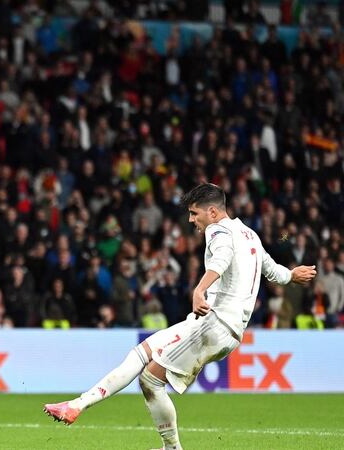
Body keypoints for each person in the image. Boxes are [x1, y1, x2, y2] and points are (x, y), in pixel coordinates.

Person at [43, 183, 317, 450]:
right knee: (141, 353)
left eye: (194, 213)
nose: (191, 220)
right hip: (219, 325)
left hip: (215, 322)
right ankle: (77, 405)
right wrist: (292, 274)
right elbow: (273, 271)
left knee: (150, 380)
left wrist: (200, 289)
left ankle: (171, 448)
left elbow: (221, 259)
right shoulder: (250, 235)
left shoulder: (218, 231)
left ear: (212, 212)